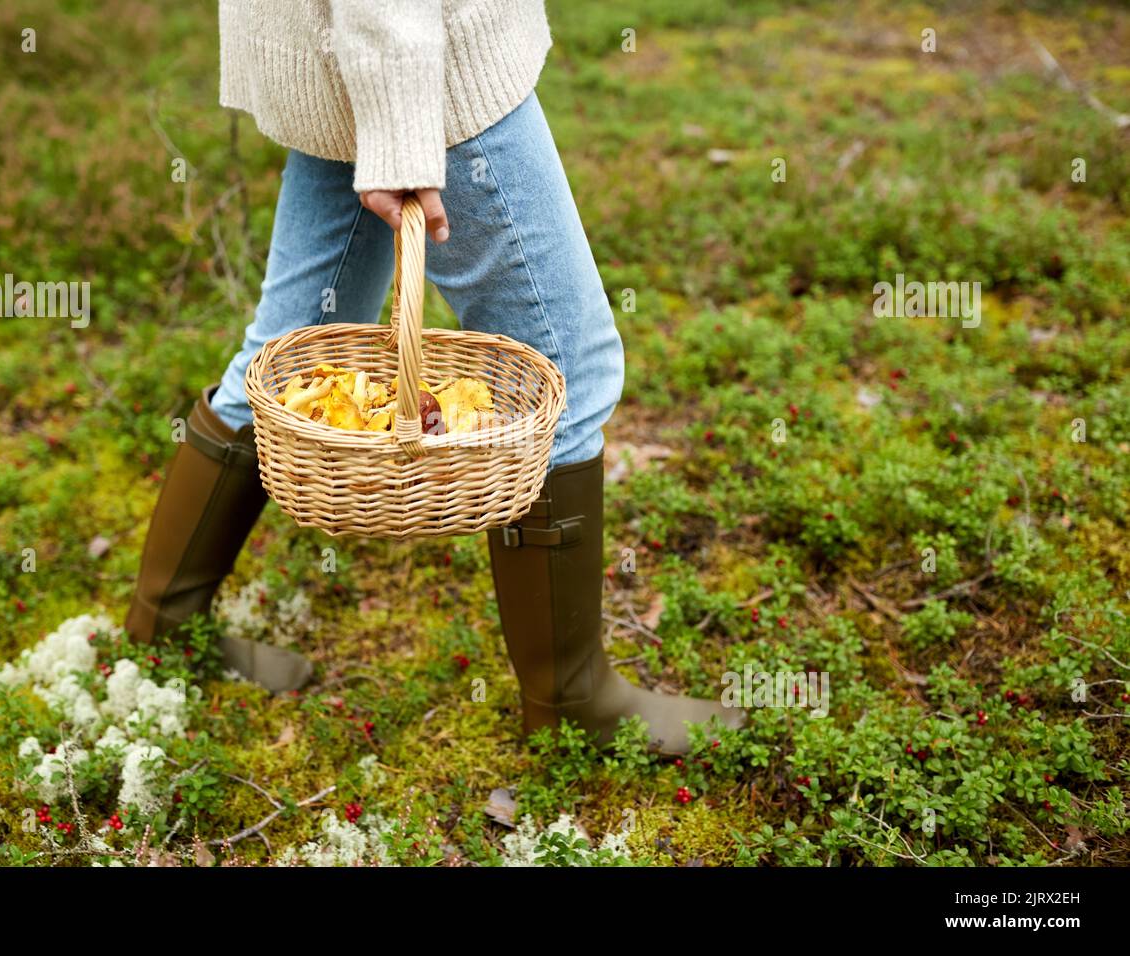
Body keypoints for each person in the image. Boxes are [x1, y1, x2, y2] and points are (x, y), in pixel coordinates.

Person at [126, 0, 744, 754]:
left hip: (352, 49)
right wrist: (402, 127)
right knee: (565, 366)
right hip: (421, 58)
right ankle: (573, 702)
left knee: (297, 354)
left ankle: (165, 629)